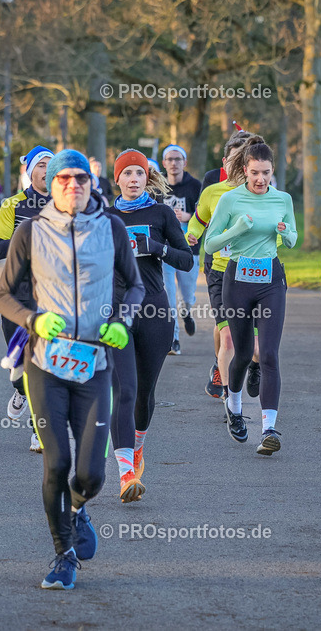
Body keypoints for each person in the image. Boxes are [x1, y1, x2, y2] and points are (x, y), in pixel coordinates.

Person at [0, 149, 144, 590]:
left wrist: (123, 321)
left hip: (95, 362)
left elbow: (133, 285)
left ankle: (78, 509)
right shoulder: (30, 231)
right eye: (63, 179)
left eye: (81, 178)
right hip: (45, 362)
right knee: (56, 462)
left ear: (91, 183)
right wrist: (32, 320)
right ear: (50, 184)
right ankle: (63, 556)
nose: (73, 186)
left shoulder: (112, 228)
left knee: (91, 474)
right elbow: (3, 295)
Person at [106, 149, 193, 502]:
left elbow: (187, 260)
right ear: (117, 179)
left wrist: (156, 247)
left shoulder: (161, 213)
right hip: (115, 312)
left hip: (155, 312)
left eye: (138, 174)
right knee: (124, 391)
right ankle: (126, 473)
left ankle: (137, 447)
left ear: (147, 178)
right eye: (126, 173)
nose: (132, 179)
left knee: (144, 394)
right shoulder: (105, 216)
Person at [203, 136, 297, 454]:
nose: (260, 179)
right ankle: (234, 407)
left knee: (269, 353)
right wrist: (236, 230)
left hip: (271, 277)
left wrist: (286, 233)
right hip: (238, 278)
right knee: (243, 353)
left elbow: (294, 239)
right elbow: (210, 244)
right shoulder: (230, 200)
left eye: (266, 173)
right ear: (245, 170)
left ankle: (269, 428)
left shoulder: (282, 199)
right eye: (255, 172)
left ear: (273, 172)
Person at [191, 131, 263, 401]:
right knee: (226, 331)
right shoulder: (212, 183)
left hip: (250, 267)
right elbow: (202, 216)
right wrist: (195, 234)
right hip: (218, 263)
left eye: (242, 160)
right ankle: (228, 394)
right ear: (225, 161)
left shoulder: (259, 186)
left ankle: (251, 366)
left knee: (252, 341)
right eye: (233, 160)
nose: (237, 166)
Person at [0, 145, 54, 453]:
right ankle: (19, 391)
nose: (47, 170)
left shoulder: (65, 204)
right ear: (31, 172)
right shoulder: (13, 205)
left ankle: (38, 429)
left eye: (51, 165)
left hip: (52, 295)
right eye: (41, 165)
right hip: (16, 293)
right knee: (18, 363)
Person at [160, 144, 203, 356]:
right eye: (170, 159)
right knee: (168, 296)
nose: (174, 163)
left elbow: (206, 215)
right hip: (165, 250)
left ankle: (186, 311)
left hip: (189, 249)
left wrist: (188, 217)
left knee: (187, 295)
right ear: (164, 163)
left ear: (184, 162)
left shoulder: (195, 185)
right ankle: (173, 339)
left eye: (178, 159)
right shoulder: (157, 187)